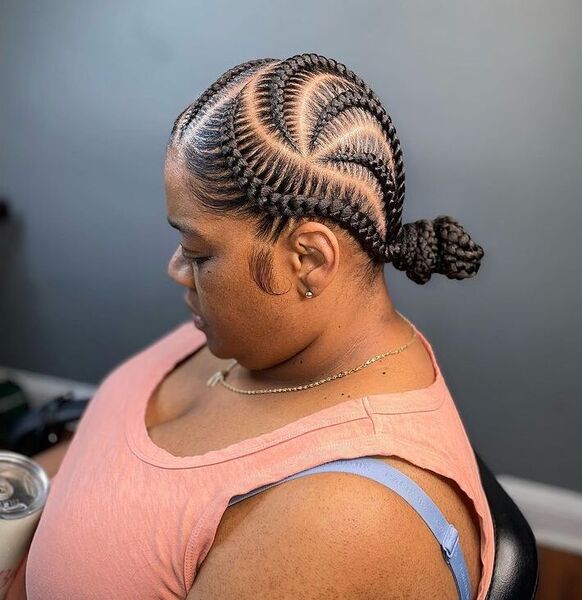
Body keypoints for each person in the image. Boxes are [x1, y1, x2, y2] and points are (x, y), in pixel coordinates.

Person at [17, 53, 492, 599]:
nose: (176, 270)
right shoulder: (264, 331)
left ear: (309, 259)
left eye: (197, 252)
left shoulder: (347, 522)